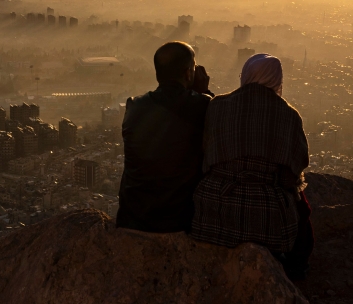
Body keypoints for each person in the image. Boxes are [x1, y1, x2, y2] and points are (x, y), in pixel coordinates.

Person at [192, 53, 313, 279]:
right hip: (268, 216)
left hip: (214, 209)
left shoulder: (217, 106)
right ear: (277, 80)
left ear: (246, 74)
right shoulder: (288, 115)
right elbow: (295, 169)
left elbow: (206, 154)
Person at [116, 41, 212, 233]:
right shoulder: (202, 106)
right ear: (188, 73)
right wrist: (204, 92)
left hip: (132, 217)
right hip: (179, 220)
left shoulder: (134, 106)